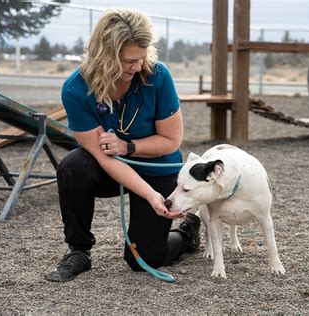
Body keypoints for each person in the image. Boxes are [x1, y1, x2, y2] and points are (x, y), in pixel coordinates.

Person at [46, 8, 201, 282]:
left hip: (157, 167)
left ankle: (187, 232)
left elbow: (170, 141)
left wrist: (127, 148)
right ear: (104, 55)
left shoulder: (158, 76)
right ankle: (79, 250)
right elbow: (103, 157)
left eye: (141, 58)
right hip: (110, 170)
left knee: (143, 260)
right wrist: (148, 194)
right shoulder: (75, 89)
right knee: (74, 166)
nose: (137, 67)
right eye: (129, 60)